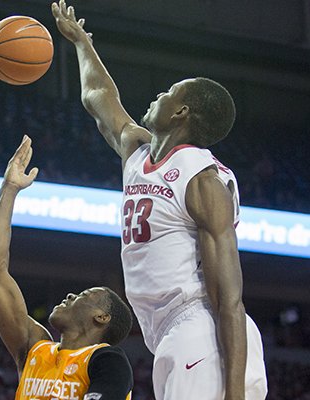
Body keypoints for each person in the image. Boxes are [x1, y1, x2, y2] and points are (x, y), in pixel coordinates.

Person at [51, 1, 268, 399]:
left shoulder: (203, 181)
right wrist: (82, 42)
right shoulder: (139, 152)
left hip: (205, 331)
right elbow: (99, 97)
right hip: (174, 333)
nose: (158, 95)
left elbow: (229, 300)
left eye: (168, 92)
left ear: (181, 112)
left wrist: (234, 392)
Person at [0, 135, 134, 400]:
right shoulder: (35, 349)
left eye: (86, 296)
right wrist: (9, 190)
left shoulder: (107, 359)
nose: (72, 295)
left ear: (102, 317)